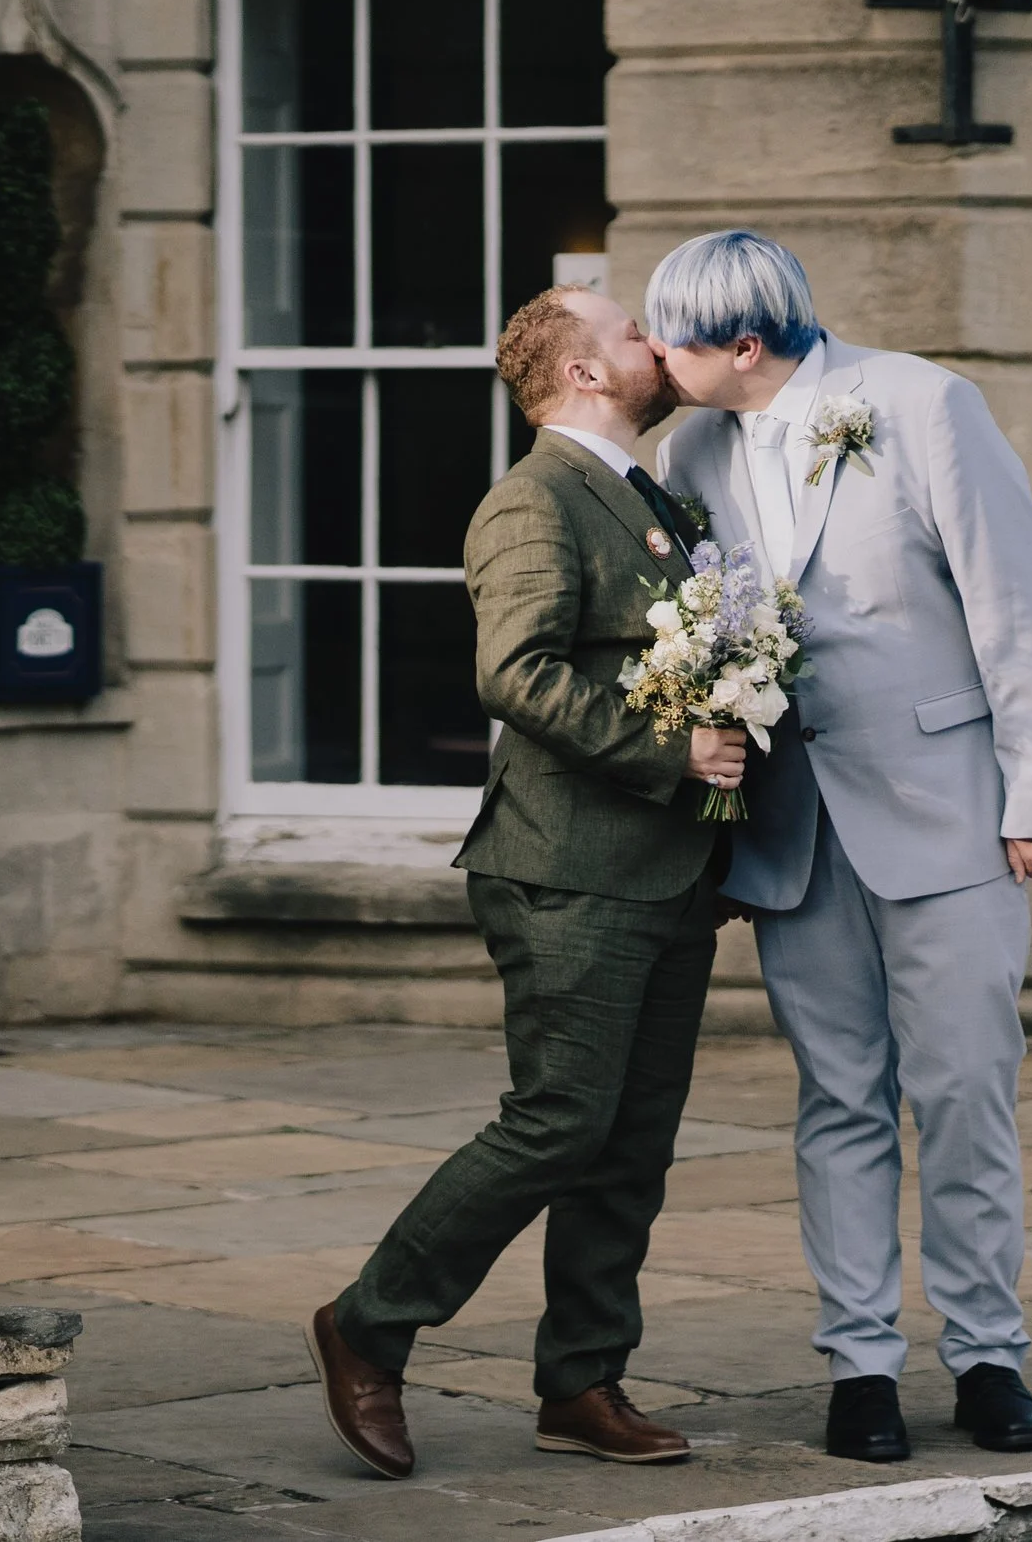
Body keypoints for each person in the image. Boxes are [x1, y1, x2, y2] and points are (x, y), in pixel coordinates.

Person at [650, 230, 1032, 1463]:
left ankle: (989, 1353)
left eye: (671, 341)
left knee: (959, 1092)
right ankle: (859, 1365)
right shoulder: (689, 449)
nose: (655, 364)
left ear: (741, 344)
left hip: (950, 813)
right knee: (837, 1098)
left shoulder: (924, 404)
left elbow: (1012, 601)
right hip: (795, 832)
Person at [306, 286, 747, 1478]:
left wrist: (727, 825)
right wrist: (677, 752)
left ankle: (581, 1383)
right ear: (588, 373)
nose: (656, 343)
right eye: (629, 332)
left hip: (669, 868)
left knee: (631, 1143)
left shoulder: (651, 496)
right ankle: (369, 1320)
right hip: (564, 869)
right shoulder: (531, 499)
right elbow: (517, 674)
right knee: (558, 1121)